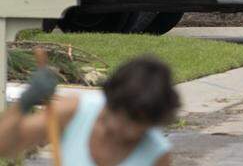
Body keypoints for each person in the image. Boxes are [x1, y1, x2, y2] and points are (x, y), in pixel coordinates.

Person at [0, 56, 179, 164]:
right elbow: (4, 146)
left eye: (143, 127)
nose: (131, 133)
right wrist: (23, 104)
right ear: (111, 102)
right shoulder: (74, 112)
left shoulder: (156, 152)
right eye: (127, 121)